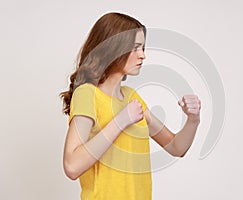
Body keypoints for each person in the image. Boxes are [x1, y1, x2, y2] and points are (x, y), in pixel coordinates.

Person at [60, 12, 201, 200]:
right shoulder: (87, 94)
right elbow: (71, 166)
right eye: (135, 48)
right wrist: (121, 121)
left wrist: (193, 120)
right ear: (113, 48)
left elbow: (176, 147)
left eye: (143, 47)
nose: (143, 55)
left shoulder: (131, 98)